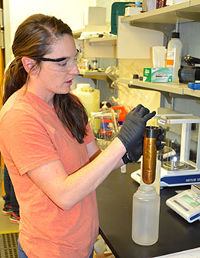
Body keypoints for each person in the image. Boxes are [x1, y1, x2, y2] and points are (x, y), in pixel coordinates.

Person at [0, 14, 157, 258]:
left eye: (75, 58)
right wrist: (120, 143)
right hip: (48, 251)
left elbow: (92, 162)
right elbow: (64, 195)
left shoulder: (69, 104)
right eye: (62, 62)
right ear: (30, 65)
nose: (75, 69)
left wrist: (124, 156)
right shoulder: (19, 116)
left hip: (82, 246)